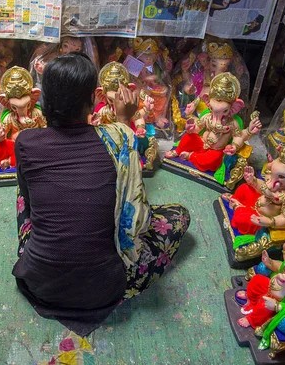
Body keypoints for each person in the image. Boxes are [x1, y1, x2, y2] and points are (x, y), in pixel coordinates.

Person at [12, 53, 190, 336]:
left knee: (23, 195)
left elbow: (32, 207)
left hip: (40, 281)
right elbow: (137, 220)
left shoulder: (25, 142)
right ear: (96, 96)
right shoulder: (119, 137)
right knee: (178, 216)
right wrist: (124, 120)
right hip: (105, 289)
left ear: (40, 98)